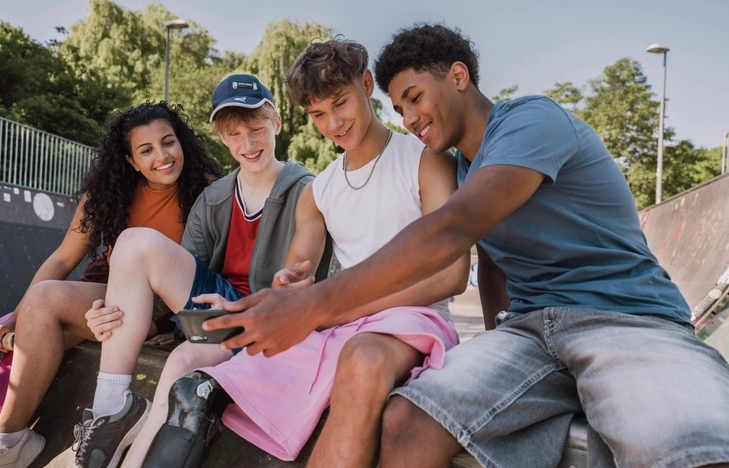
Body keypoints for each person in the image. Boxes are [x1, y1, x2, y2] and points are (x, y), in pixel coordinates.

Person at [209, 24, 729, 468]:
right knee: (405, 421)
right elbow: (498, 264)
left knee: (685, 445)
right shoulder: (456, 165)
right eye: (399, 107)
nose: (409, 118)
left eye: (415, 97)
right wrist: (496, 332)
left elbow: (455, 229)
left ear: (458, 76)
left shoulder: (530, 120)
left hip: (624, 317)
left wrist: (314, 305)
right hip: (530, 333)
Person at [147, 38, 469, 468]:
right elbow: (293, 278)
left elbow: (450, 276)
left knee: (365, 358)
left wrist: (337, 309)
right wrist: (264, 301)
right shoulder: (318, 193)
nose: (334, 122)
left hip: (413, 317)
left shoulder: (428, 161)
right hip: (340, 323)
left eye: (341, 103)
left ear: (367, 84)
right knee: (196, 388)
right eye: (318, 113)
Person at [71, 74, 330, 468]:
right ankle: (110, 412)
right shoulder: (214, 198)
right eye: (234, 133)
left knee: (180, 364)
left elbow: (302, 281)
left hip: (272, 319)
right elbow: (176, 277)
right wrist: (116, 315)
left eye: (257, 128)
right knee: (134, 244)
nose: (248, 143)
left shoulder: (307, 190)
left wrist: (244, 311)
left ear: (276, 122)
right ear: (221, 137)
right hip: (222, 320)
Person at [0, 102, 223, 468]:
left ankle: (17, 441)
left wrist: (175, 327)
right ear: (130, 160)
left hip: (160, 306)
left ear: (182, 142)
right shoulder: (110, 195)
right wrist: (13, 318)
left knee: (43, 306)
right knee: (37, 314)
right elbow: (62, 259)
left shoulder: (208, 193)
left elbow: (209, 271)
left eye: (169, 142)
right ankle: (9, 442)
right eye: (146, 150)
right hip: (108, 296)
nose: (162, 156)